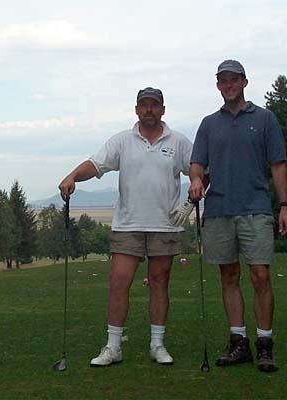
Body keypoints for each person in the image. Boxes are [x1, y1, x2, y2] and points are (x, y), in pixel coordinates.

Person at [58, 87, 193, 367]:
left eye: (154, 105)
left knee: (159, 282)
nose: (149, 110)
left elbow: (198, 171)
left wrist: (190, 200)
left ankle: (157, 345)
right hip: (127, 223)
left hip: (165, 224)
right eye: (144, 105)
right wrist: (72, 176)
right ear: (136, 109)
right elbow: (96, 165)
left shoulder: (179, 141)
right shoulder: (122, 141)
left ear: (163, 109)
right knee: (119, 282)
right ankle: (113, 347)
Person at [188, 60, 287, 373]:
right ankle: (239, 343)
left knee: (260, 275)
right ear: (218, 85)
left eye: (234, 79)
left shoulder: (264, 119)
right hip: (219, 210)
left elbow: (278, 165)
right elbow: (197, 164)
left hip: (255, 208)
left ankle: (265, 344)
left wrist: (285, 205)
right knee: (229, 276)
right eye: (223, 81)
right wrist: (196, 180)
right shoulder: (209, 124)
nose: (229, 85)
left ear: (244, 82)